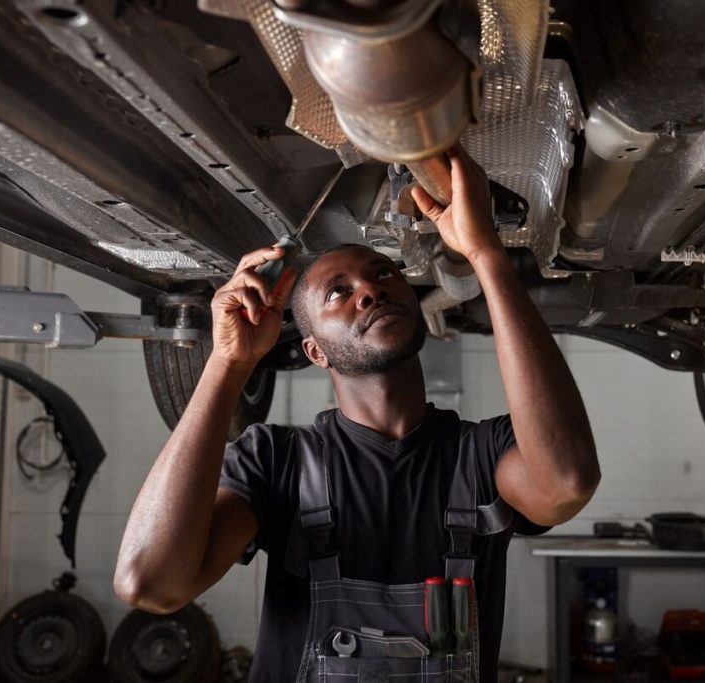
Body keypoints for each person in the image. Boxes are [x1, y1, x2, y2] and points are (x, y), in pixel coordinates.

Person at [114, 146, 600, 683]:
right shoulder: (276, 464)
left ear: (416, 307)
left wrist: (486, 253)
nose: (369, 290)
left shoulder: (484, 456)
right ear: (316, 352)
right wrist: (228, 364)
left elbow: (565, 483)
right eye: (338, 293)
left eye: (384, 275)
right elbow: (149, 584)